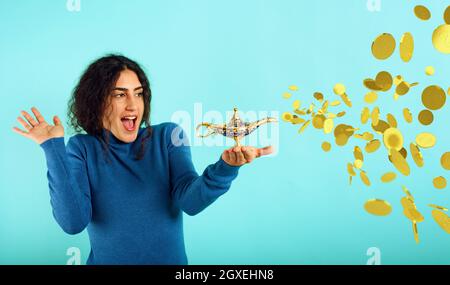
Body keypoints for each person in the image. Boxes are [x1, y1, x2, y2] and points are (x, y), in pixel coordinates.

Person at [12, 54, 274, 265]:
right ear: (97, 102)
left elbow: (191, 201)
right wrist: (52, 148)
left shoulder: (168, 136)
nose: (133, 104)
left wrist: (226, 168)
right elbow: (73, 223)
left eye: (138, 93)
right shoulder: (81, 148)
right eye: (119, 94)